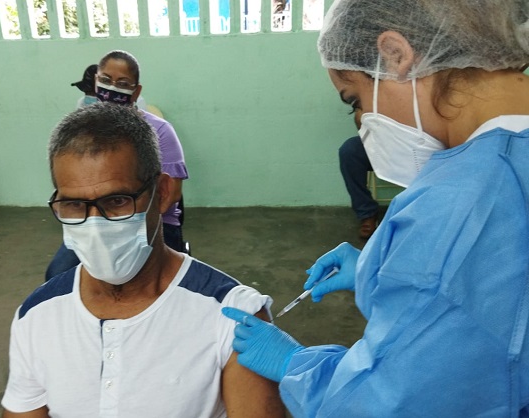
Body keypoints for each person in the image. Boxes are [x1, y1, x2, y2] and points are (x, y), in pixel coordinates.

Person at [222, 0, 529, 416]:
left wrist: (297, 365)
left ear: (396, 54)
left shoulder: (460, 202)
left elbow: (395, 400)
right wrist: (377, 272)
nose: (363, 120)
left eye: (355, 100)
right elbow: (490, 308)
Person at [1, 103, 285, 417]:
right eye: (74, 204)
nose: (95, 225)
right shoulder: (36, 318)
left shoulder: (232, 317)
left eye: (117, 200)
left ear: (161, 193)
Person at [46, 50, 189, 280]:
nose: (112, 88)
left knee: (151, 280)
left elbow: (171, 194)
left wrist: (126, 219)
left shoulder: (161, 131)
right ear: (95, 81)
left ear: (136, 90)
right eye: (105, 80)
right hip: (96, 219)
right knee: (58, 275)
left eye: (122, 83)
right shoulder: (82, 131)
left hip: (149, 219)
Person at [338, 109, 378, 239]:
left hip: (412, 145)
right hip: (380, 143)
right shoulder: (375, 91)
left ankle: (422, 211)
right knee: (350, 150)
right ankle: (367, 213)